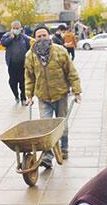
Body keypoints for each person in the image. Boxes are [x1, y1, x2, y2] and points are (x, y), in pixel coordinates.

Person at [25, 25, 81, 166]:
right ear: (35, 38)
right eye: (39, 36)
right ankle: (47, 157)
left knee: (62, 125)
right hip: (43, 96)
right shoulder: (30, 55)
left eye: (44, 35)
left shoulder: (60, 51)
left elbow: (71, 72)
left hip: (60, 94)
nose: (42, 38)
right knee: (46, 127)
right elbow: (29, 77)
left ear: (49, 36)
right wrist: (29, 95)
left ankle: (64, 148)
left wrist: (77, 91)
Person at [0, 20, 32, 105]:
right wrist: (11, 37)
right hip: (12, 64)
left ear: (20, 28)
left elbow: (29, 49)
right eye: (14, 28)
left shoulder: (24, 38)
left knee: (23, 81)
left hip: (22, 64)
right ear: (11, 28)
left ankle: (23, 98)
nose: (16, 30)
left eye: (17, 28)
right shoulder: (7, 36)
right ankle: (16, 95)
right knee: (12, 82)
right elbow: (3, 43)